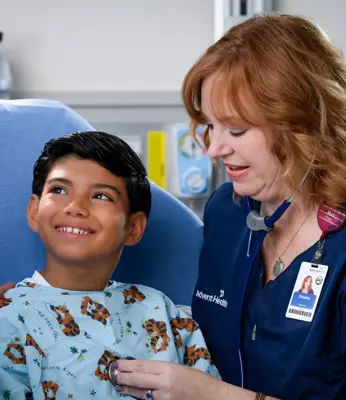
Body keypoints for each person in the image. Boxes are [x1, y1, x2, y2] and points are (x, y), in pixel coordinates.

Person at [87, 13, 346, 400]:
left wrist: (215, 396)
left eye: (236, 130)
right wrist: (45, 302)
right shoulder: (228, 211)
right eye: (210, 126)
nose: (215, 149)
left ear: (304, 124)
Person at [0, 131, 219, 399]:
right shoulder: (8, 317)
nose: (75, 207)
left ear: (133, 227)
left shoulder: (161, 312)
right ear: (34, 211)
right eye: (59, 190)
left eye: (101, 196)